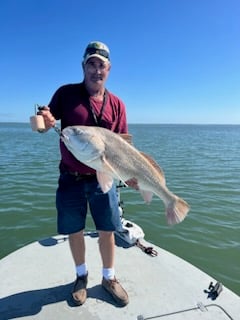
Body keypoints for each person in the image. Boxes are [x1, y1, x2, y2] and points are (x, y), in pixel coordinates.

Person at [38, 41, 136, 307]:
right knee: (75, 231)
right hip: (70, 177)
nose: (96, 70)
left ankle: (109, 278)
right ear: (83, 66)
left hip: (103, 177)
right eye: (91, 64)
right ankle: (81, 277)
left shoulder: (117, 105)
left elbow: (123, 147)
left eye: (101, 65)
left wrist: (131, 174)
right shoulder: (66, 94)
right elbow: (46, 121)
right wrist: (44, 120)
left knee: (107, 230)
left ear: (109, 68)